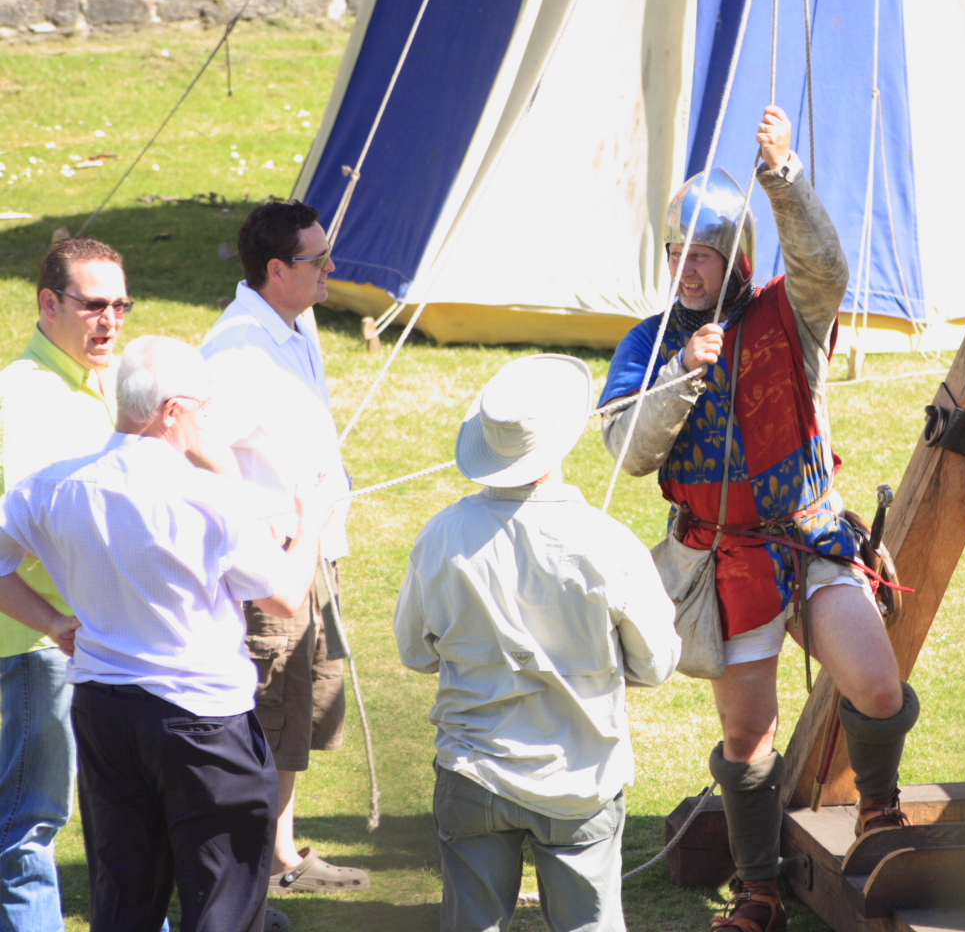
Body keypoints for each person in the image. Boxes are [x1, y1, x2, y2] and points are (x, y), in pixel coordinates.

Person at [599, 107, 921, 932]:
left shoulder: (791, 313)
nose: (686, 270)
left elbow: (828, 265)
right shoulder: (650, 341)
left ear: (734, 257)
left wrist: (783, 178)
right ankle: (760, 889)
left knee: (878, 688)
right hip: (723, 561)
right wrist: (678, 373)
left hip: (808, 538)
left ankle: (880, 810)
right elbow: (627, 452)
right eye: (677, 255)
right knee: (748, 739)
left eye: (701, 255)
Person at [0, 335, 331, 932]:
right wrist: (310, 525)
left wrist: (51, 623)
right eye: (204, 408)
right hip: (203, 725)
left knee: (125, 899)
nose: (210, 422)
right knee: (223, 903)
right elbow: (284, 598)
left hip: (104, 714)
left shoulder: (54, 486)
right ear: (172, 411)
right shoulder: (208, 498)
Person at [396, 354, 680, 932]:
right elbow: (655, 664)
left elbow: (415, 651)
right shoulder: (607, 543)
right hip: (579, 780)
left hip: (473, 770)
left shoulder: (442, 536)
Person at [199, 200, 370, 898]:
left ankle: (279, 852)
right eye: (316, 259)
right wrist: (252, 521)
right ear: (276, 270)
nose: (331, 268)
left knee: (302, 707)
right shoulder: (238, 347)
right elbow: (197, 446)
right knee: (268, 711)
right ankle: (250, 867)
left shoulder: (294, 323)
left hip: (314, 553)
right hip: (271, 567)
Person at [0, 236, 128, 932]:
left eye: (121, 305)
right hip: (38, 641)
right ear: (49, 304)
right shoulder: (23, 395)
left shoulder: (100, 379)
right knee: (31, 822)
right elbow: (31, 524)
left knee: (123, 810)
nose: (109, 320)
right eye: (93, 305)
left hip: (98, 634)